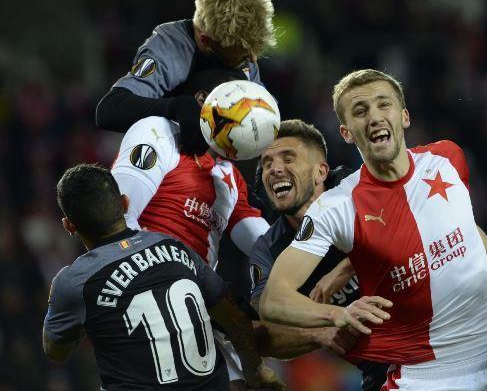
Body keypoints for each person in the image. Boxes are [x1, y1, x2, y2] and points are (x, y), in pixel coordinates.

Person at [260, 69, 487, 390]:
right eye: (360, 111)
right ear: (347, 133)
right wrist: (335, 314)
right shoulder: (336, 207)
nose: (374, 118)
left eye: (383, 105)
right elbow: (274, 299)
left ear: (404, 116)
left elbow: (467, 234)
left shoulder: (448, 158)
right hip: (423, 377)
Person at [43, 164, 284, 390]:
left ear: (69, 226)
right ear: (125, 203)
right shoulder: (174, 246)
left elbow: (56, 351)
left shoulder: (73, 281)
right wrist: (254, 371)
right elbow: (233, 316)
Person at [109, 68, 272, 389]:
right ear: (202, 100)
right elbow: (114, 225)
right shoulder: (158, 133)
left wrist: (311, 230)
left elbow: (265, 244)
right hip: (143, 295)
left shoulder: (229, 176)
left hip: (195, 304)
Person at [250, 119, 388, 391]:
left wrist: (345, 268)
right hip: (382, 371)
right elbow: (265, 333)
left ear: (321, 172)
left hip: (436, 335)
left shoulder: (354, 186)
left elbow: (410, 218)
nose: (274, 169)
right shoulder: (269, 249)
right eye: (266, 164)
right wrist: (320, 331)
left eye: (288, 158)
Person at [96, 0, 276, 155]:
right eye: (243, 54)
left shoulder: (242, 49)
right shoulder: (169, 48)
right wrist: (175, 108)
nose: (253, 59)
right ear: (206, 41)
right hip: (164, 155)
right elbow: (110, 109)